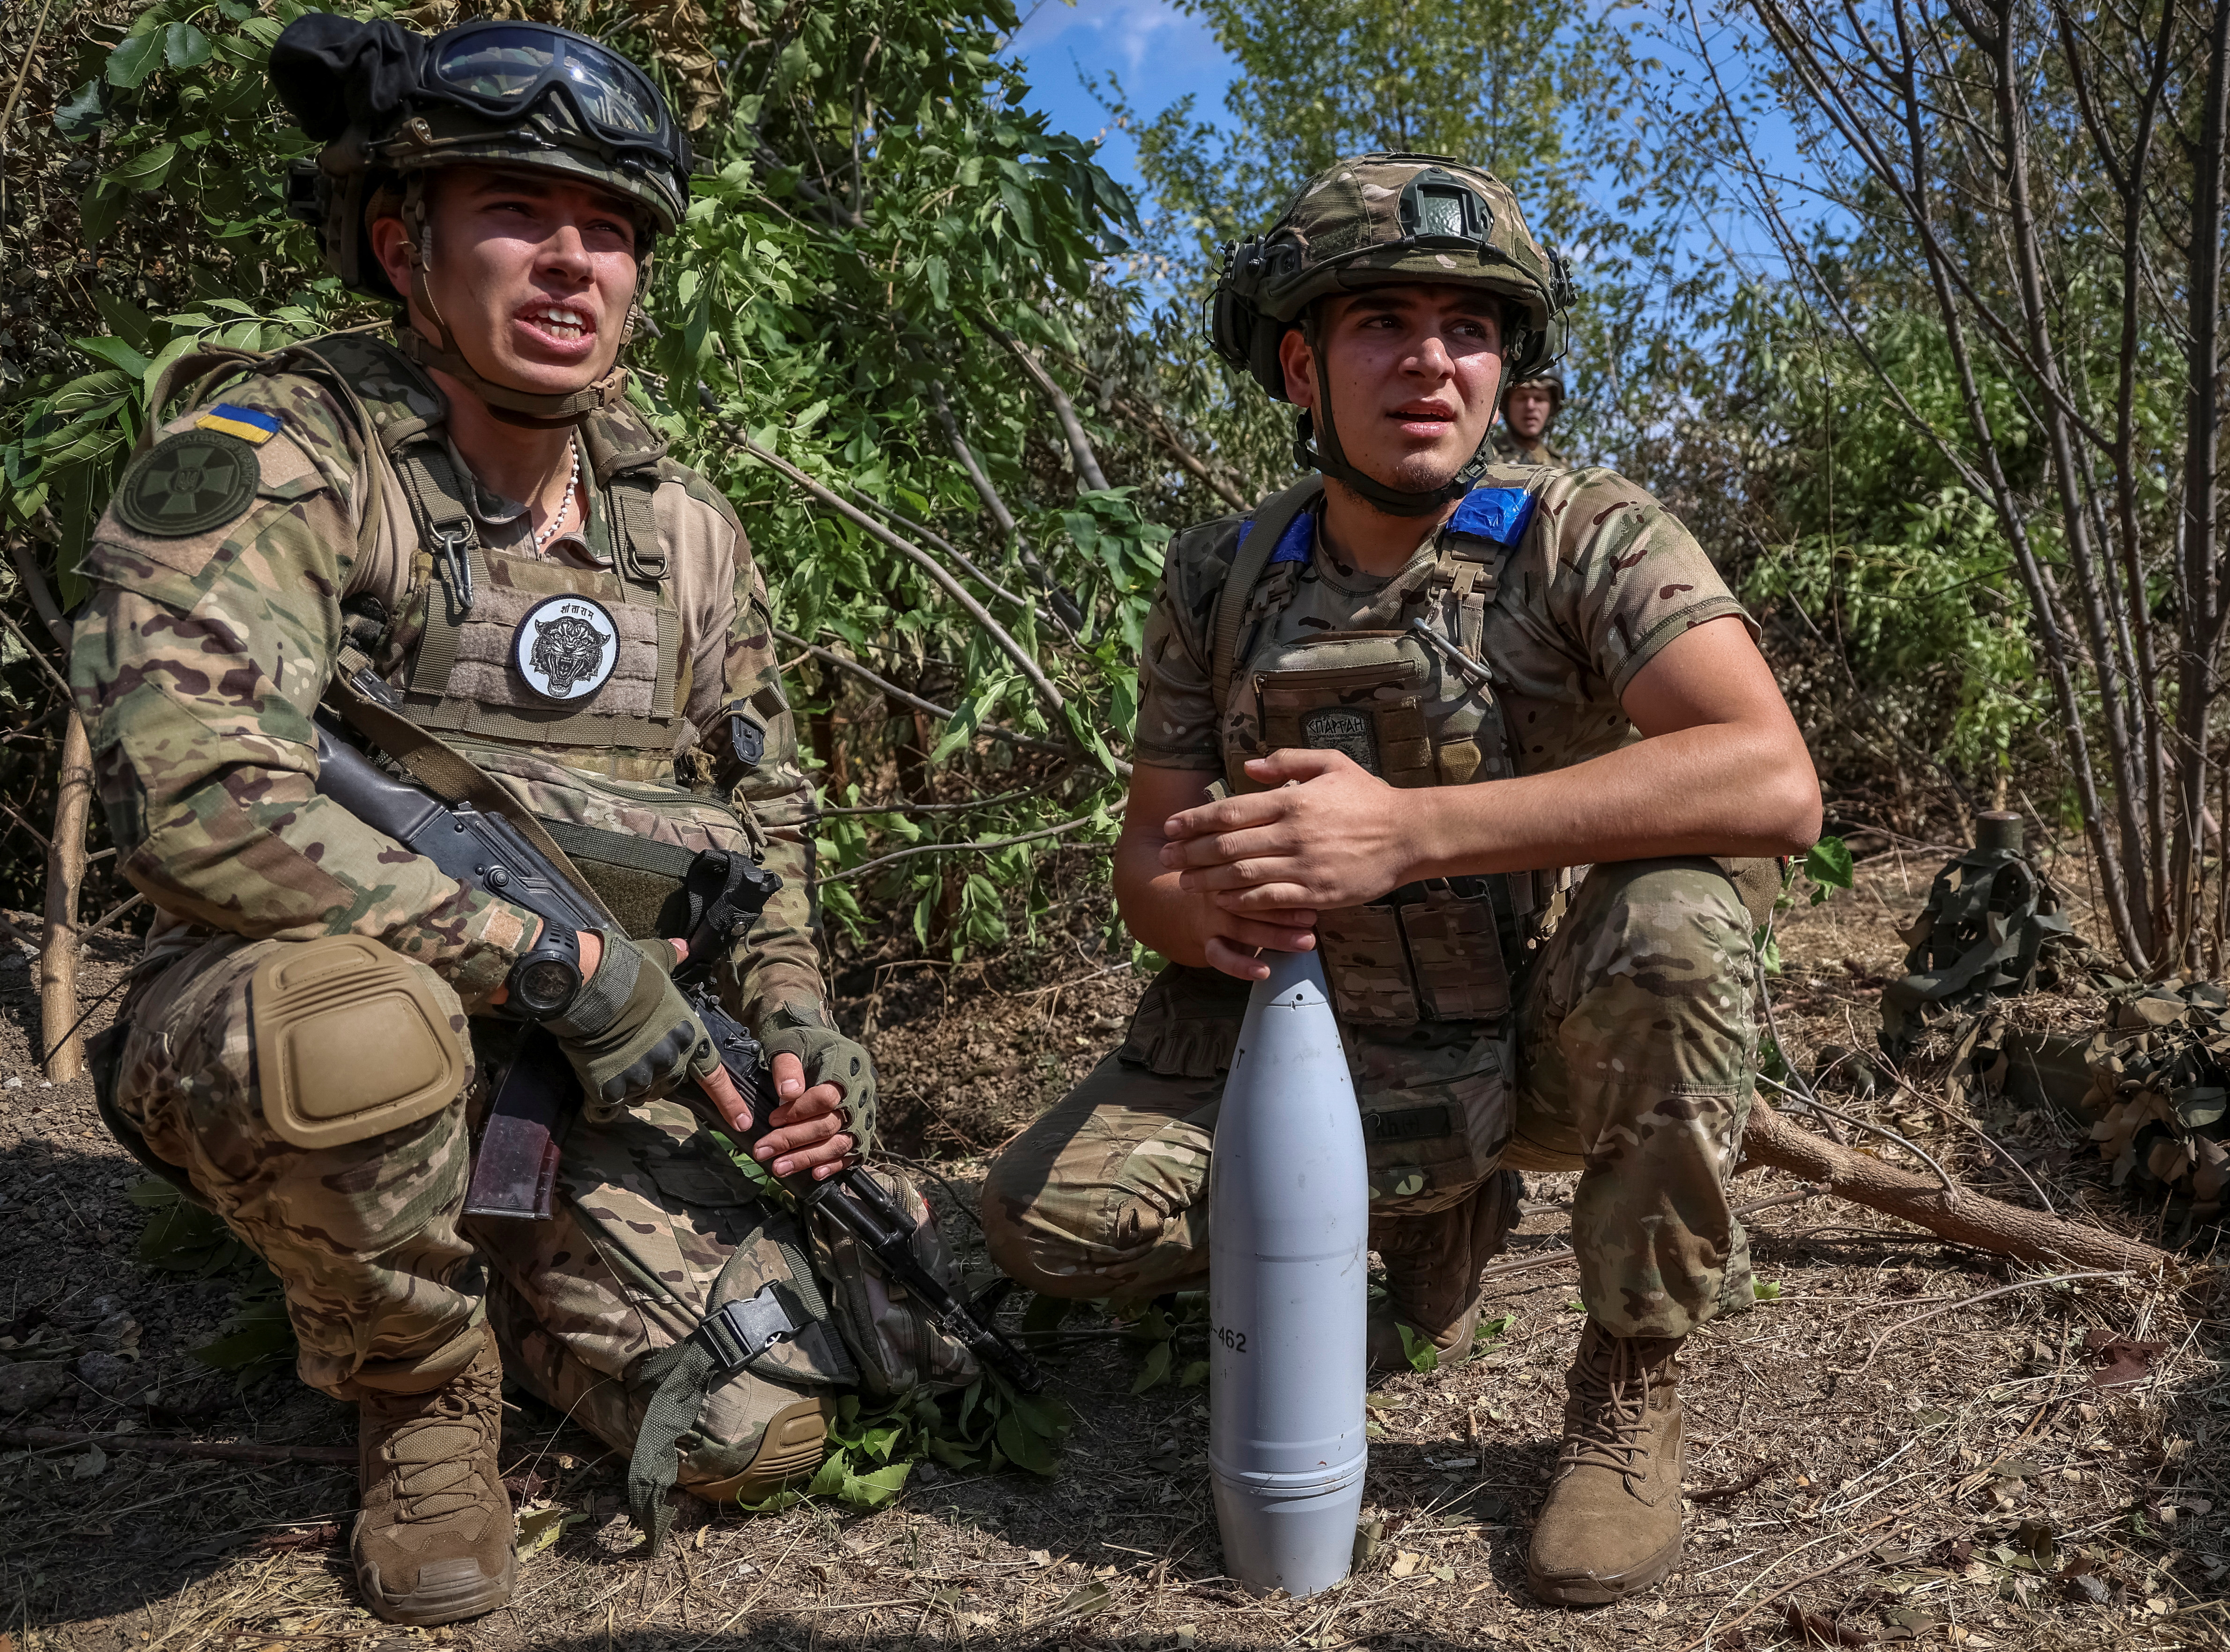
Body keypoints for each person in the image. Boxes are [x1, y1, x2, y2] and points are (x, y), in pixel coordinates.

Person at [69, 15, 968, 1627]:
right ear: (405, 246)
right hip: (290, 1008)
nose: (572, 264)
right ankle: (417, 1391)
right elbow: (196, 796)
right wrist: (553, 966)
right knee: (353, 1039)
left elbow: (758, 821)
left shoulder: (679, 528)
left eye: (610, 230)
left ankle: (477, 1248)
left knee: (773, 1415)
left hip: (585, 1061)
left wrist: (795, 1033)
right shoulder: (278, 460)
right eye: (519, 216)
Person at [978, 155, 1820, 1606]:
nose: (1431, 360)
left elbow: (1772, 779)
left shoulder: (1585, 535)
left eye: (1470, 326)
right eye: (1382, 322)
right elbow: (1145, 863)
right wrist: (1213, 904)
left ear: (1506, 369)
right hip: (1311, 1047)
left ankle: (1629, 1382)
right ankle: (1422, 1224)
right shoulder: (1219, 577)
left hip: (1540, 1042)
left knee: (1681, 925)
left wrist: (1413, 833)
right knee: (1044, 1223)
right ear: (1301, 365)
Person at [1491, 367, 1571, 466]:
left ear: (1552, 408)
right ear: (1506, 406)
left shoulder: (1561, 467)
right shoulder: (1484, 459)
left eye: (1539, 399)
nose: (1530, 407)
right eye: (1522, 398)